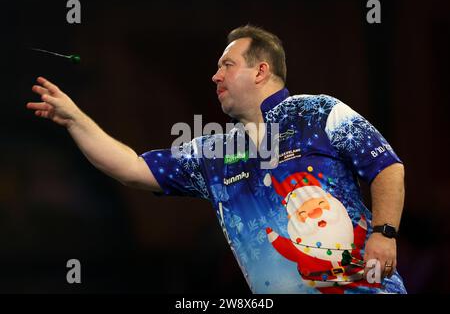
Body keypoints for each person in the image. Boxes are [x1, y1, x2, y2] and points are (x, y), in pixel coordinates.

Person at [26, 25, 406, 294]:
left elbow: (386, 166)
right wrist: (76, 121)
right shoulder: (214, 153)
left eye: (227, 65)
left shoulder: (318, 111)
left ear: (261, 70)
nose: (214, 76)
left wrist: (384, 233)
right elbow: (132, 168)